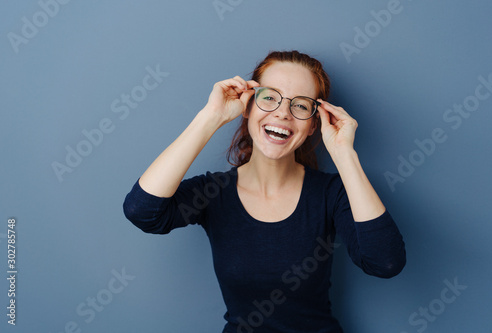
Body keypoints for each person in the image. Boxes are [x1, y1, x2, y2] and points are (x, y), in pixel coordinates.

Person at [123, 50, 406, 333]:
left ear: (312, 125)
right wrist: (211, 117)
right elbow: (142, 211)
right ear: (248, 106)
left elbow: (385, 262)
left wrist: (344, 152)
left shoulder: (331, 194)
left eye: (301, 105)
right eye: (269, 97)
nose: (283, 112)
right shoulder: (213, 192)